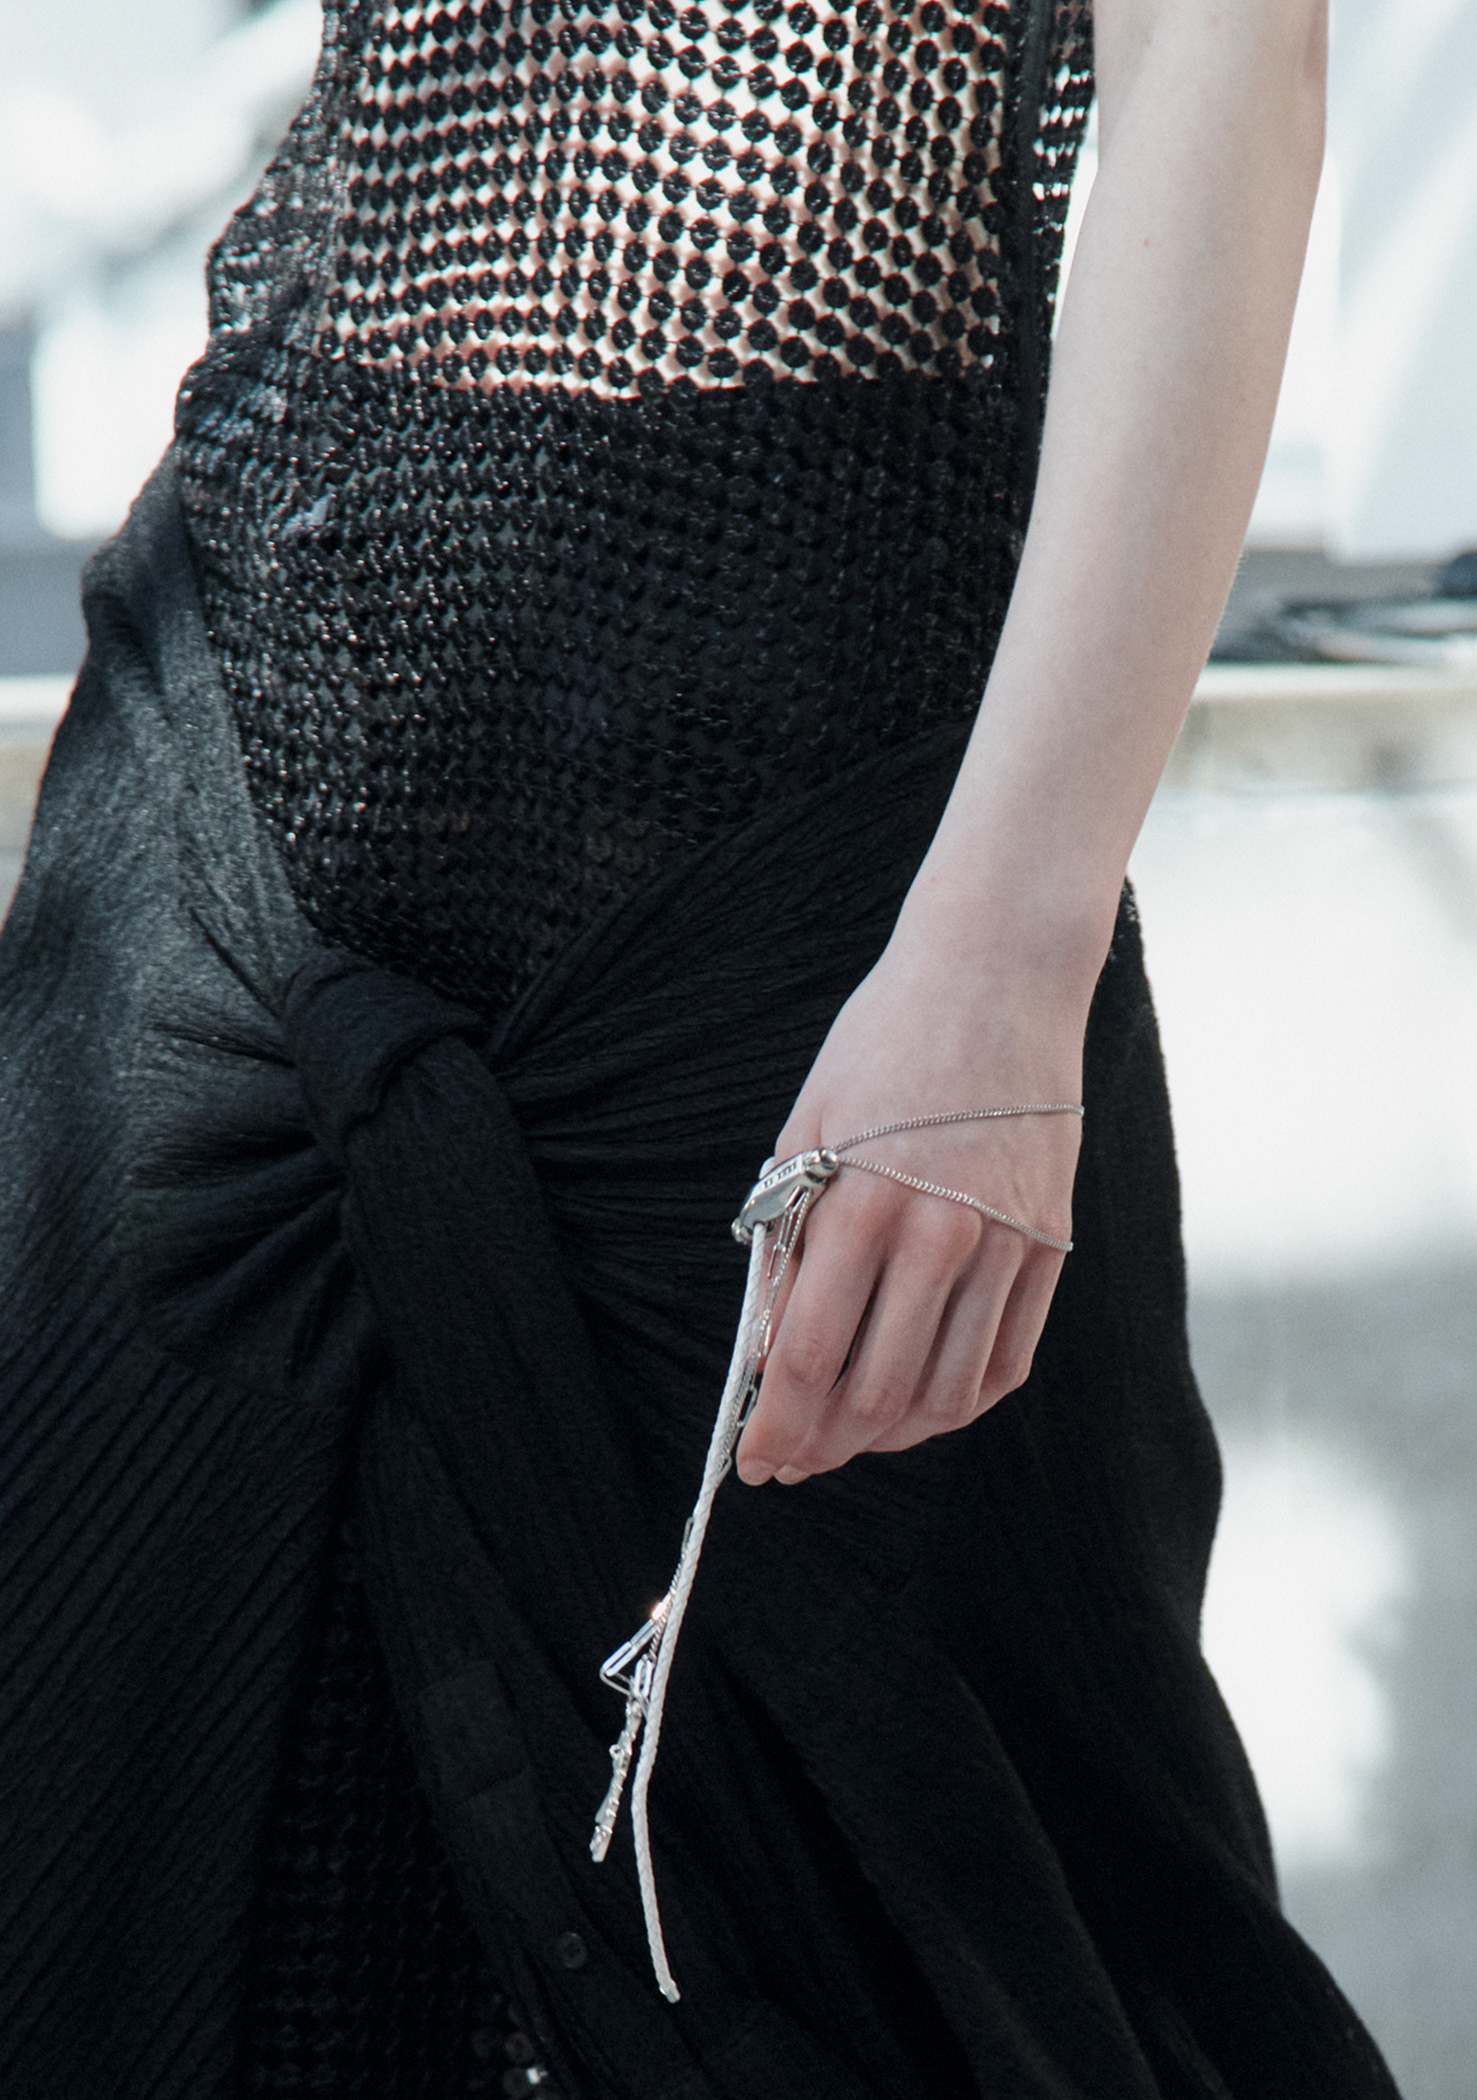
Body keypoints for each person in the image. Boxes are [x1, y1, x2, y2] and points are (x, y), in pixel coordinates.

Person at [0, 0, 1404, 2094]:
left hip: (800, 822)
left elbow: (1226, 69)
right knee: (115, 1851)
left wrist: (1007, 951)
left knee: (934, 1925)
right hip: (240, 728)